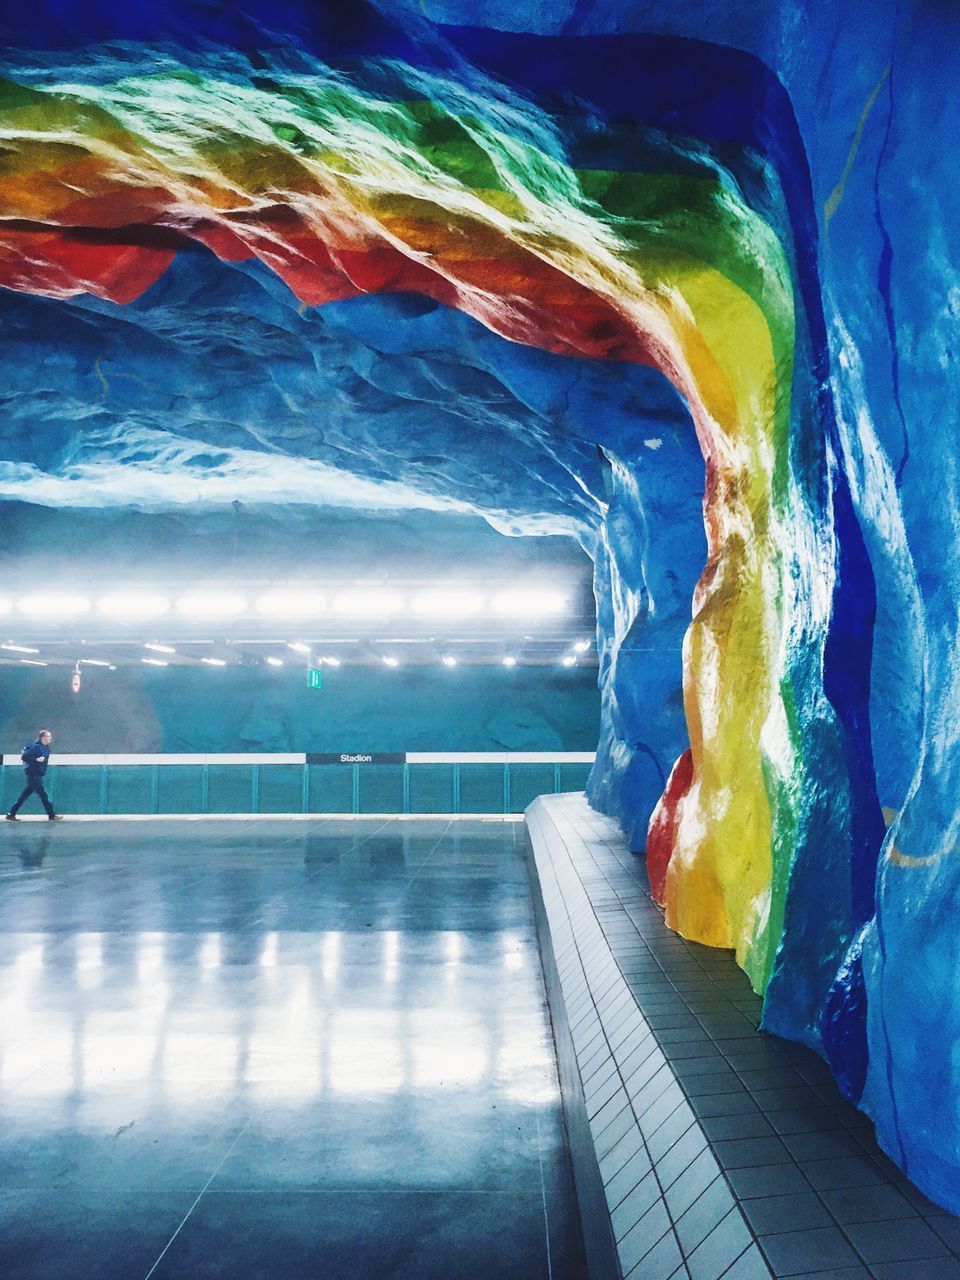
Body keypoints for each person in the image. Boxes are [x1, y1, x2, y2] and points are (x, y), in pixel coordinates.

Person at [5, 730, 62, 821]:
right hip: (33, 775)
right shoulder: (36, 747)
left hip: (37, 774)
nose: (50, 739)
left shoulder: (45, 748)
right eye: (48, 737)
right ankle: (51, 815)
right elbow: (24, 757)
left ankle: (11, 813)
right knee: (43, 795)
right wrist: (36, 759)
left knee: (25, 795)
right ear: (42, 737)